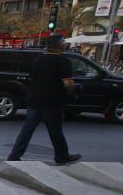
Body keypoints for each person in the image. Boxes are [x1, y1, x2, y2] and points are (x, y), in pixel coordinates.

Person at [7, 34, 81, 164]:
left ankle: (15, 155)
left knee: (27, 130)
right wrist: (73, 91)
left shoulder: (38, 60)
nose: (65, 44)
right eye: (64, 42)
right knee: (55, 131)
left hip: (34, 100)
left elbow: (31, 78)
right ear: (59, 45)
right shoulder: (63, 61)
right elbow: (68, 83)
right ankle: (62, 156)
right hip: (52, 102)